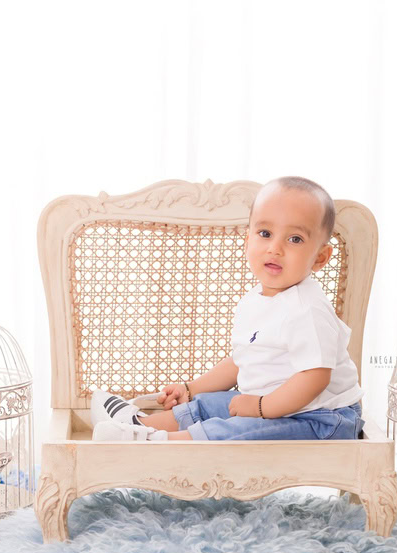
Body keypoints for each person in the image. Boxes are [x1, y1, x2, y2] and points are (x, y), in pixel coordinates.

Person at [90, 176, 364, 442]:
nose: (275, 248)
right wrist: (191, 388)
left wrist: (261, 407)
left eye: (294, 239)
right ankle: (138, 425)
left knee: (238, 430)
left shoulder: (307, 309)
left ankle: (161, 443)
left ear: (320, 257)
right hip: (274, 405)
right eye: (265, 234)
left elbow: (314, 377)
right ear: (248, 241)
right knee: (211, 404)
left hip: (321, 418)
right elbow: (240, 361)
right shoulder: (255, 300)